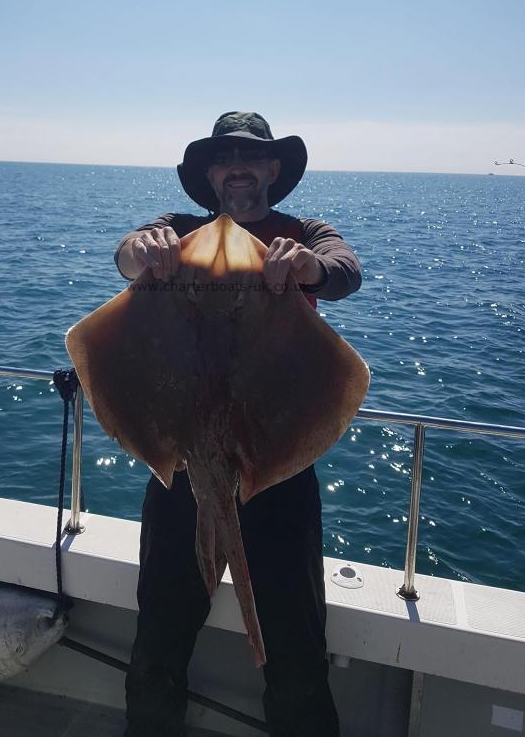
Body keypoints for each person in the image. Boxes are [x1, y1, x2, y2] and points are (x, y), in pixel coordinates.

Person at [114, 112, 362, 737]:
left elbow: (345, 271)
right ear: (209, 173)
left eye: (251, 158)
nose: (238, 169)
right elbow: (125, 255)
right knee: (161, 631)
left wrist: (308, 269)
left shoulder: (303, 232)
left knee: (294, 639)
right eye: (224, 159)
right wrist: (138, 253)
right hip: (181, 460)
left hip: (276, 461)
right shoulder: (177, 231)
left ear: (273, 170)